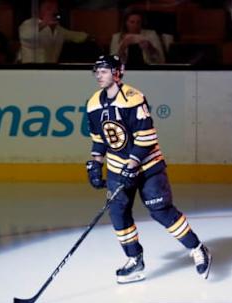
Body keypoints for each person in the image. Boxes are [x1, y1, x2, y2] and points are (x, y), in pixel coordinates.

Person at [85, 55, 212, 284]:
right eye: (97, 71)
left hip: (148, 165)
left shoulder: (133, 98)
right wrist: (95, 163)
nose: (99, 75)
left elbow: (146, 137)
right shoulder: (93, 102)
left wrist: (132, 165)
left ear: (118, 72)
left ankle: (197, 248)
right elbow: (99, 138)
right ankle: (135, 259)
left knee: (160, 210)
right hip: (116, 167)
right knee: (118, 213)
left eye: (104, 71)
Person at [18, 0, 89, 63]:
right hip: (28, 71)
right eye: (49, 8)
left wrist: (89, 36)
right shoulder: (29, 24)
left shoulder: (59, 30)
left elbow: (77, 36)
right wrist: (44, 23)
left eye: (55, 8)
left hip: (51, 72)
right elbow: (26, 36)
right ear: (39, 11)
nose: (54, 11)